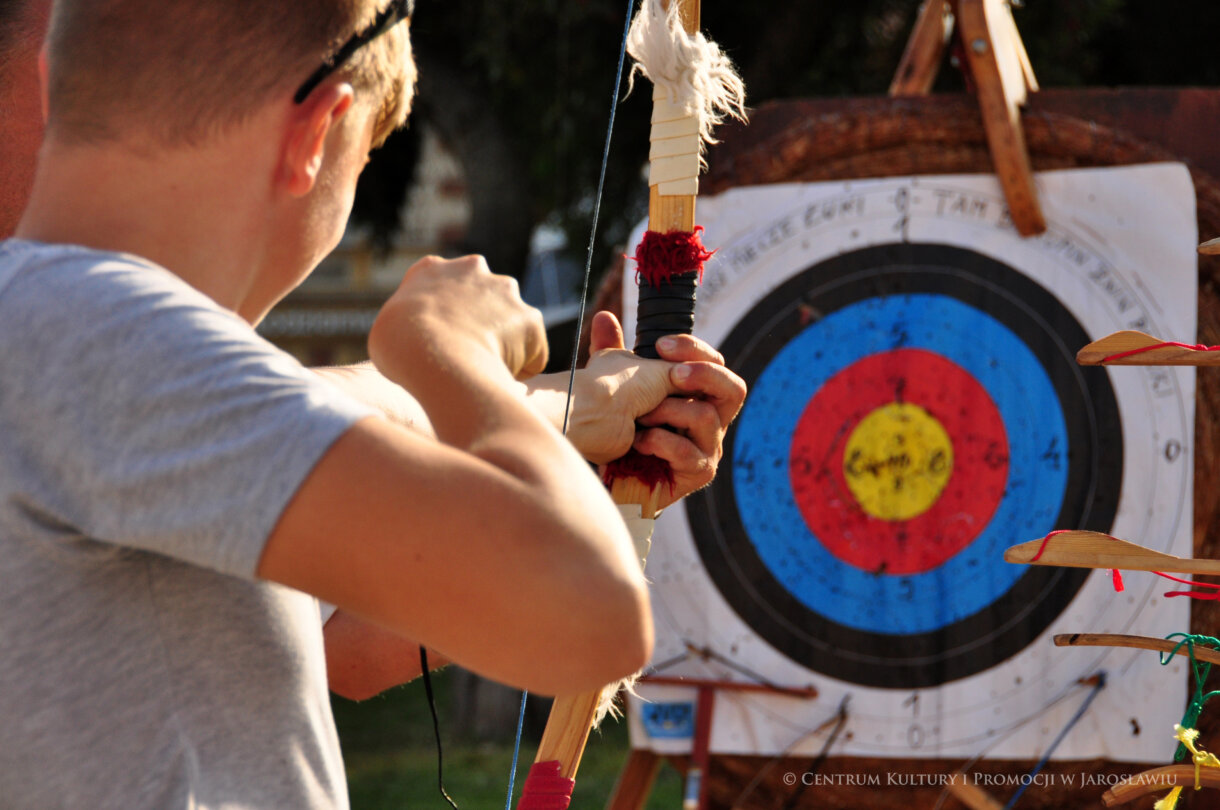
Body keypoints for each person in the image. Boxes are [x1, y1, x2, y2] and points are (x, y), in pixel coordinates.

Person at [0, 1, 744, 807]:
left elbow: (331, 639)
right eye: (363, 163)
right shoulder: (103, 345)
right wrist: (453, 354)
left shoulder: (61, 345)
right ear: (318, 134)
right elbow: (590, 613)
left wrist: (556, 442)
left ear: (55, 83)